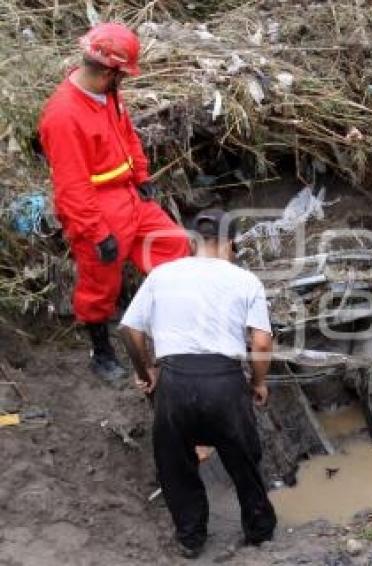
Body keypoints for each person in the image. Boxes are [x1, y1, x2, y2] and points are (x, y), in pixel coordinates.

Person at [119, 209, 276, 558]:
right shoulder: (244, 280)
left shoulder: (162, 274)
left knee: (175, 463)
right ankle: (260, 532)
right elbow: (262, 343)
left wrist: (148, 372)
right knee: (245, 460)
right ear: (230, 244)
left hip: (173, 382)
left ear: (193, 241)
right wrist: (258, 383)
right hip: (224, 382)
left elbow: (130, 329)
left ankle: (191, 538)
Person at [38, 22, 189, 383]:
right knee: (99, 284)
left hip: (127, 195)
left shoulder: (106, 93)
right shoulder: (62, 116)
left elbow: (126, 135)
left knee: (175, 244)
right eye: (122, 74)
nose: (124, 80)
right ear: (108, 71)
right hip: (96, 208)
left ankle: (173, 325)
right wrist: (96, 232)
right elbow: (72, 187)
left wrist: (141, 176)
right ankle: (101, 350)